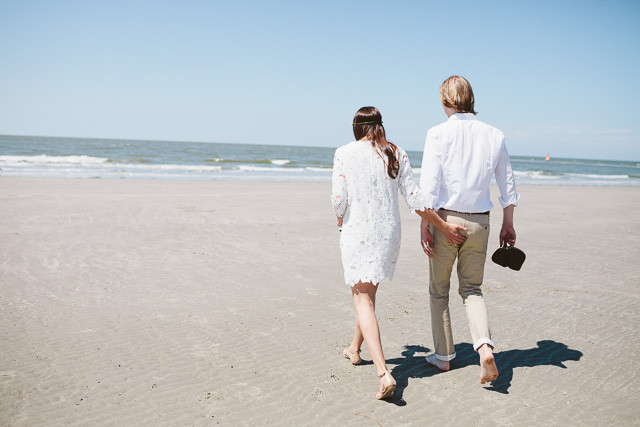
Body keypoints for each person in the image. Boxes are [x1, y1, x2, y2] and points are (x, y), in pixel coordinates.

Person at [331, 106, 466, 400]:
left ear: (356, 128)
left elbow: (339, 198)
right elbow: (414, 198)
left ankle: (383, 373)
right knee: (367, 293)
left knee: (362, 297)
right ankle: (354, 349)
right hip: (387, 233)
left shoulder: (344, 153)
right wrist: (442, 225)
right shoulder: (396, 153)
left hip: (359, 230)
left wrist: (339, 217)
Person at [419, 76, 520, 384]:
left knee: (439, 289)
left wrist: (427, 225)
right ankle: (484, 348)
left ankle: (443, 356)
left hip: (445, 220)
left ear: (444, 101)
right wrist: (508, 223)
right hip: (480, 222)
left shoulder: (437, 134)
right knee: (472, 290)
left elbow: (428, 189)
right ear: (471, 99)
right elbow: (508, 185)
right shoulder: (494, 134)